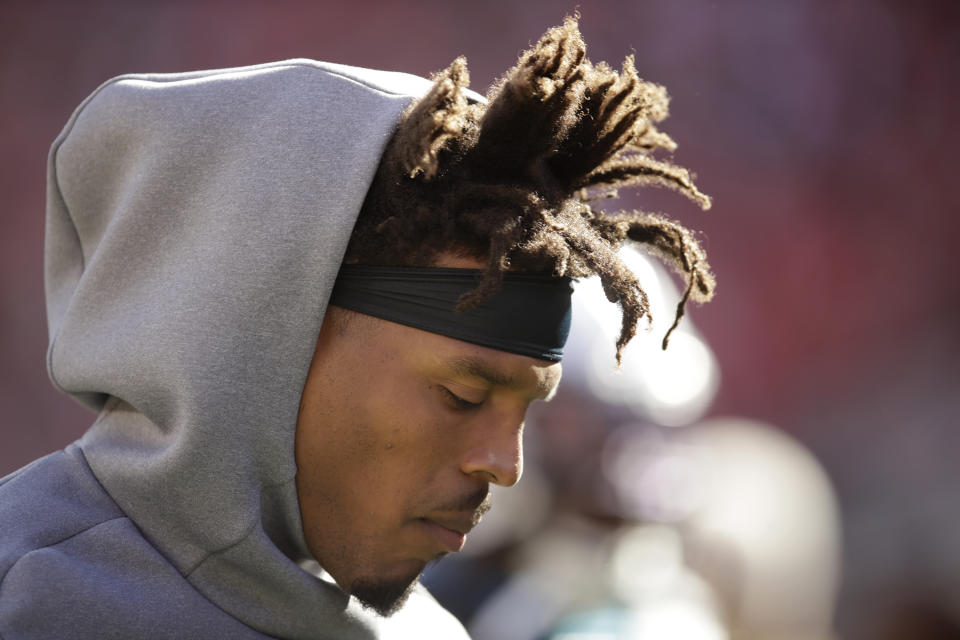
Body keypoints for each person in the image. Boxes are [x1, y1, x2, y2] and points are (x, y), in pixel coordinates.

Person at [0, 18, 713, 639]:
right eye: (463, 396)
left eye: (527, 410)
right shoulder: (24, 599)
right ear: (267, 337)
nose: (505, 464)